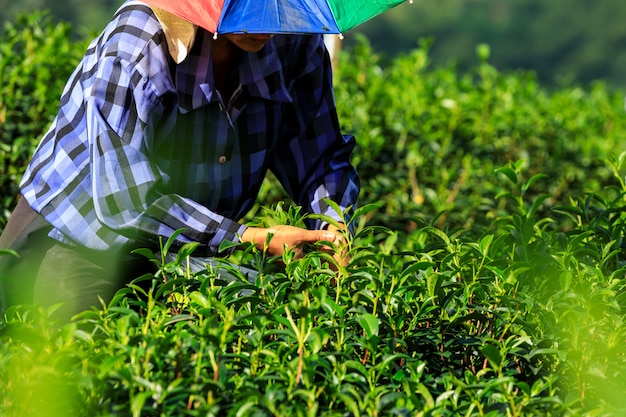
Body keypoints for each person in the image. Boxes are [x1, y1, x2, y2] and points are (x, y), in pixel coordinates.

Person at [0, 0, 360, 320]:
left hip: (186, 249)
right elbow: (123, 204)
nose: (267, 22)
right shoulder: (139, 43)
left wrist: (334, 225)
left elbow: (319, 156)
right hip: (77, 242)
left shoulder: (294, 41)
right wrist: (251, 238)